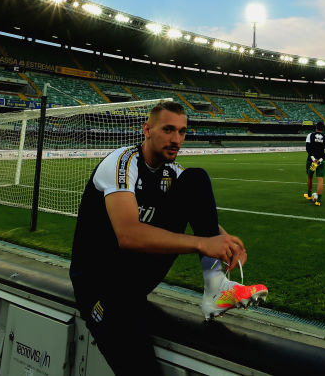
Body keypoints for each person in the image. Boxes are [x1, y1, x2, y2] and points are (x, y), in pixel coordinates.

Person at [70, 100, 268, 374]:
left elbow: (204, 219)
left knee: (196, 178)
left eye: (182, 132)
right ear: (147, 130)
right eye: (168, 130)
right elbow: (128, 235)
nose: (176, 140)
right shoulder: (121, 163)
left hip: (134, 277)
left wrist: (225, 241)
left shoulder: (172, 172)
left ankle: (215, 286)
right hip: (100, 284)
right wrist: (202, 243)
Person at [304, 120, 325, 206]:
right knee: (320, 180)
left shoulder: (310, 135)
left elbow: (308, 148)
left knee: (310, 177)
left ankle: (308, 195)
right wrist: (320, 160)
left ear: (316, 127)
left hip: (311, 160)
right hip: (321, 162)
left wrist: (313, 158)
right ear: (323, 129)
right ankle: (318, 201)